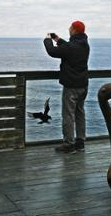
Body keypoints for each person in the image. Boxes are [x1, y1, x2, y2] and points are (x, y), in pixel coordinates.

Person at [43, 20, 90, 154]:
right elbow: (69, 47)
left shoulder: (71, 47)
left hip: (71, 86)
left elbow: (52, 51)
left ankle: (69, 144)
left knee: (68, 115)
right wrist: (58, 39)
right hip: (83, 85)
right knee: (80, 113)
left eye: (70, 27)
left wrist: (47, 40)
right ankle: (80, 143)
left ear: (74, 30)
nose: (68, 29)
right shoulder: (85, 45)